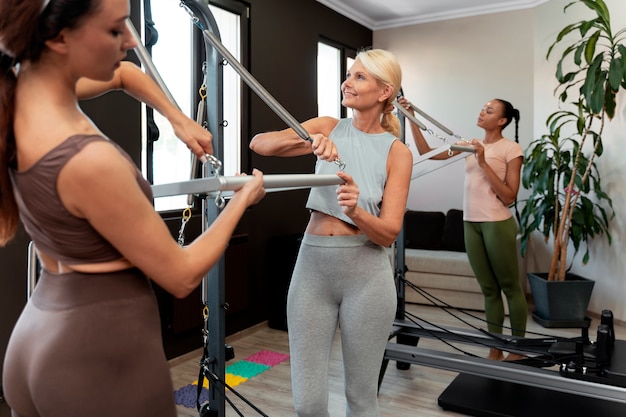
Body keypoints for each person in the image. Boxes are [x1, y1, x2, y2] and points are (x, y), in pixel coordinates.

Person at [0, 1, 266, 416]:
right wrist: (241, 200)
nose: (131, 39)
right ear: (58, 37)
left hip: (36, 333)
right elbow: (180, 275)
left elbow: (126, 74)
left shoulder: (19, 91)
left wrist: (178, 119)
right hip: (98, 353)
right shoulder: (88, 162)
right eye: (114, 30)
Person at [250, 49, 412, 417]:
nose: (347, 82)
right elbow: (260, 143)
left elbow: (388, 233)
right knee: (307, 403)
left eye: (359, 77)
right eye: (349, 74)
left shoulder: (397, 152)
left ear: (384, 91)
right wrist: (307, 141)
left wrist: (355, 210)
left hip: (367, 275)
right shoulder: (328, 126)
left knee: (360, 399)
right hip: (313, 268)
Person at [398, 96, 527, 361]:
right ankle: (495, 349)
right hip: (471, 223)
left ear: (501, 120)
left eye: (489, 110)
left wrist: (482, 161)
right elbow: (427, 153)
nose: (482, 111)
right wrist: (411, 117)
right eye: (483, 107)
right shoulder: (470, 144)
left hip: (497, 223)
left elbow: (509, 196)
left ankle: (517, 349)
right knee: (489, 290)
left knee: (510, 288)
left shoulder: (511, 149)